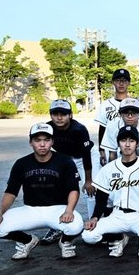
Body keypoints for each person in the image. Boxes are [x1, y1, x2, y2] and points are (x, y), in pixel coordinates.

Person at [0, 123, 83, 259]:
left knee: (76, 226)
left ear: (52, 142)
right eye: (37, 140)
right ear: (30, 142)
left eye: (46, 140)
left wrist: (69, 210)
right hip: (30, 210)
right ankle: (27, 241)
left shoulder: (65, 161)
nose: (42, 144)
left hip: (58, 210)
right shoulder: (21, 163)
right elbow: (11, 192)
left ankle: (65, 242)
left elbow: (73, 189)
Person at [82, 126, 139, 257]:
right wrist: (95, 217)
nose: (127, 144)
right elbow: (101, 198)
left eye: (131, 140)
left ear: (137, 144)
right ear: (118, 143)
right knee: (88, 236)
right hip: (117, 215)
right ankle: (119, 237)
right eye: (123, 140)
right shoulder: (108, 168)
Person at [42, 99, 96, 243]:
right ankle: (57, 227)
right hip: (66, 158)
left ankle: (93, 224)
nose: (59, 117)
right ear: (51, 115)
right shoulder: (47, 128)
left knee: (91, 190)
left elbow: (86, 154)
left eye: (63, 114)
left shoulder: (79, 129)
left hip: (87, 156)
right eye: (55, 114)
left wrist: (88, 180)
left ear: (70, 115)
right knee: (59, 190)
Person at [100, 98, 139, 163]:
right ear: (120, 114)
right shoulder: (112, 127)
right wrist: (113, 168)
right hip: (120, 162)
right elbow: (112, 154)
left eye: (133, 113)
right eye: (126, 112)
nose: (130, 116)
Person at [95, 68, 132, 166]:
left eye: (124, 80)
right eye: (118, 80)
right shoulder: (105, 105)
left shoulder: (135, 104)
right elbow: (102, 128)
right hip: (109, 144)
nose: (121, 83)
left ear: (129, 83)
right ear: (113, 82)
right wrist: (101, 150)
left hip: (130, 145)